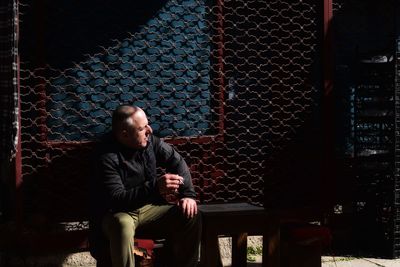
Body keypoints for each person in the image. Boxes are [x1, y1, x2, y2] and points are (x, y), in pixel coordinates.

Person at [89, 105, 202, 267]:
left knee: (190, 214)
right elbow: (117, 200)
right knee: (122, 225)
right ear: (125, 134)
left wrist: (187, 195)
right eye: (143, 128)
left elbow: (176, 161)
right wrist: (155, 187)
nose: (150, 130)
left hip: (149, 209)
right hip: (119, 213)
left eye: (148, 124)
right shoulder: (106, 156)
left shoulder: (149, 142)